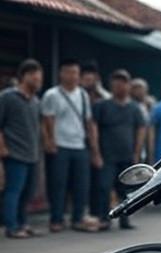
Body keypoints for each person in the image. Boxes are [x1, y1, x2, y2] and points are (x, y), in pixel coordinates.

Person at [41, 58, 102, 233]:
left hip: (80, 146)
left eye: (75, 72)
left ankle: (78, 218)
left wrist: (94, 150)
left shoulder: (82, 95)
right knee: (58, 185)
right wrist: (49, 141)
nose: (72, 76)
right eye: (68, 72)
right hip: (60, 146)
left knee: (81, 185)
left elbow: (88, 122)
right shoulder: (52, 95)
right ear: (61, 74)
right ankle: (56, 219)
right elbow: (47, 121)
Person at [92, 69, 146, 230]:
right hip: (107, 155)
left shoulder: (135, 108)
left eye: (123, 83)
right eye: (116, 83)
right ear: (111, 86)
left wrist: (137, 153)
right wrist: (95, 152)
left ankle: (125, 219)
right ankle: (104, 218)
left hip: (127, 155)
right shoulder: (102, 106)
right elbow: (93, 127)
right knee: (104, 187)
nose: (120, 86)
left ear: (128, 85)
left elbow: (141, 129)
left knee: (126, 190)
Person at [0, 59, 43, 239]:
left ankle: (23, 224)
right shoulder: (7, 97)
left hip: (32, 154)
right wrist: (2, 148)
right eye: (35, 77)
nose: (38, 81)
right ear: (25, 76)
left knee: (27, 194)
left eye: (40, 78)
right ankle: (11, 227)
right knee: (13, 192)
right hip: (14, 154)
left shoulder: (36, 101)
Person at [130, 78, 154, 163]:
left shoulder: (150, 104)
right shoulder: (129, 105)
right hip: (133, 137)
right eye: (135, 88)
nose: (139, 91)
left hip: (147, 137)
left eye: (141, 88)